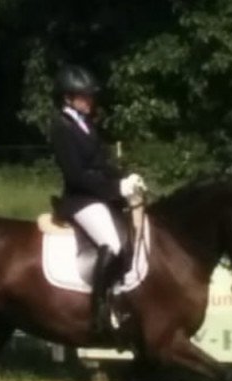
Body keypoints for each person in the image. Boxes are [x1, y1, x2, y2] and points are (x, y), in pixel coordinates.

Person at [50, 64, 146, 340]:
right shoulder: (62, 128)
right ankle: (100, 310)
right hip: (80, 200)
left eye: (90, 96)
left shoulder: (86, 124)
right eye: (85, 96)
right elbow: (76, 175)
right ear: (68, 98)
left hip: (98, 196)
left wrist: (128, 177)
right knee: (114, 245)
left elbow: (101, 164)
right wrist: (116, 188)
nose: (90, 101)